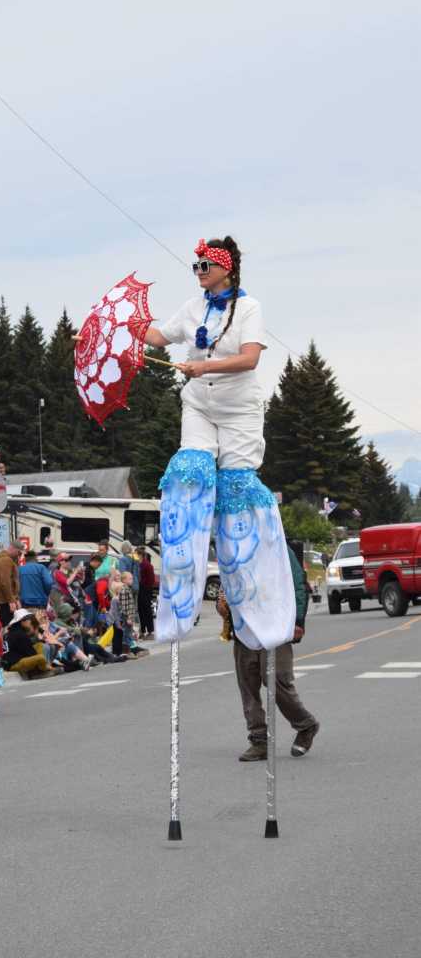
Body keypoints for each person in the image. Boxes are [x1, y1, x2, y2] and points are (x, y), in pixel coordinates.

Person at [145, 236, 296, 649]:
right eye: (195, 266)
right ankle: (180, 581)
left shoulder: (248, 308)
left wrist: (203, 365)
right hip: (198, 404)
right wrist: (120, 331)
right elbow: (159, 337)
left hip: (239, 411)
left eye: (205, 266)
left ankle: (255, 593)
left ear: (226, 269)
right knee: (190, 471)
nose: (199, 273)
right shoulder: (192, 307)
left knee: (236, 490)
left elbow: (250, 359)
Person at [217, 545, 320, 761]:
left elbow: (298, 584)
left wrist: (298, 619)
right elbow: (227, 584)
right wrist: (222, 603)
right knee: (248, 685)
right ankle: (259, 740)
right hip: (244, 629)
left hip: (275, 625)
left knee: (275, 679)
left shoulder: (276, 544)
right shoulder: (233, 547)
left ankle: (305, 725)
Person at [3, 610, 54, 678]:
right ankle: (43, 671)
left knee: (39, 645)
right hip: (14, 664)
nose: (30, 621)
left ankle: (40, 669)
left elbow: (28, 649)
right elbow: (31, 653)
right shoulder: (19, 634)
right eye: (28, 619)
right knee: (40, 658)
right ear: (22, 621)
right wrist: (44, 663)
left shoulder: (15, 631)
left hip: (19, 658)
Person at [0, 540, 24, 627]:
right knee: (8, 626)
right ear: (13, 549)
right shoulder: (6, 561)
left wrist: (15, 598)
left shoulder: (7, 560)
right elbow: (5, 582)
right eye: (19, 553)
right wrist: (11, 600)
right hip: (5, 601)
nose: (20, 555)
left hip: (6, 599)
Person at [136, 547, 155, 639]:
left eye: (136, 554)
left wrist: (145, 587)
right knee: (140, 611)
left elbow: (151, 580)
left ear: (141, 555)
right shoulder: (137, 565)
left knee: (147, 610)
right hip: (139, 590)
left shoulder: (147, 565)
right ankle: (142, 631)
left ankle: (150, 631)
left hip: (146, 590)